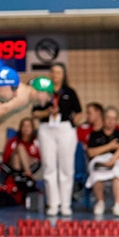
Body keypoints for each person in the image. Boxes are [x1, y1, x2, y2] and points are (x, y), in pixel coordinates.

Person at [31, 62, 83, 216]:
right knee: (49, 167)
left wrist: (74, 122)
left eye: (58, 72)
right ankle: (53, 204)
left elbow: (79, 112)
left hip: (65, 128)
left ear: (63, 75)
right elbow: (34, 113)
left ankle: (66, 204)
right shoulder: (42, 91)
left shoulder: (70, 92)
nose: (55, 75)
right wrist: (46, 112)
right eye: (53, 72)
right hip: (46, 129)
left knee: (66, 168)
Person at [86, 106, 119, 216]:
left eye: (113, 118)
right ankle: (100, 202)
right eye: (108, 118)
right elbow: (91, 152)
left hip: (117, 160)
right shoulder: (95, 135)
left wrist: (112, 160)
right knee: (97, 172)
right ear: (104, 119)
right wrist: (110, 146)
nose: (110, 121)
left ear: (116, 120)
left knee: (118, 172)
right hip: (99, 161)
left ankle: (118, 204)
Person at [0, 116, 41, 206]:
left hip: (33, 166)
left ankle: (23, 175)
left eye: (28, 126)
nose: (26, 128)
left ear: (32, 128)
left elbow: (40, 158)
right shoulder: (13, 141)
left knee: (20, 149)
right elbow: (5, 158)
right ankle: (22, 176)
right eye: (24, 126)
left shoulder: (36, 142)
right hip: (14, 165)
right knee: (18, 151)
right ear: (20, 128)